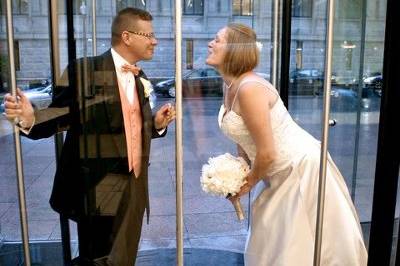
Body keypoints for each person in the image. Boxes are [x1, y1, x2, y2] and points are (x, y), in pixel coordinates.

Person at [3, 7, 175, 266]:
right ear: (127, 37)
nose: (155, 40)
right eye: (148, 35)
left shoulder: (142, 76)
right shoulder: (84, 69)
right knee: (97, 258)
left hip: (136, 185)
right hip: (98, 188)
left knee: (125, 256)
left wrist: (156, 124)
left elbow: (129, 125)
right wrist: (30, 118)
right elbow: (61, 115)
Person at [206, 23, 367, 265]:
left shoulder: (250, 89)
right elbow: (242, 136)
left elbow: (267, 152)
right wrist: (238, 171)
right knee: (273, 236)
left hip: (299, 168)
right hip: (275, 171)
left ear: (234, 50)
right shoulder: (229, 84)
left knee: (297, 242)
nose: (210, 44)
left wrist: (247, 184)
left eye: (217, 40)